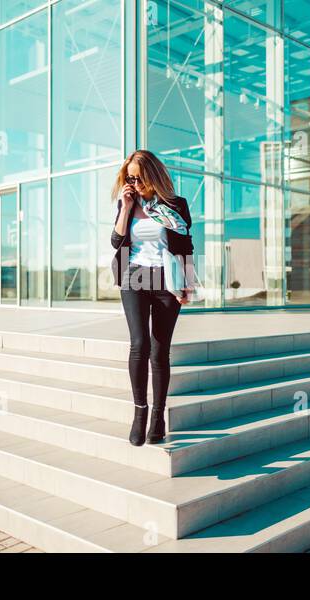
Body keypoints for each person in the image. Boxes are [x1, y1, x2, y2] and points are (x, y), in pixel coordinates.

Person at [109, 150, 198, 447]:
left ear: (153, 175)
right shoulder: (129, 204)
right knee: (139, 344)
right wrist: (125, 207)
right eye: (129, 177)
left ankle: (158, 417)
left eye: (138, 177)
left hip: (166, 279)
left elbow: (186, 245)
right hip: (133, 276)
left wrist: (188, 282)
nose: (134, 182)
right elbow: (116, 241)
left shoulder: (175, 205)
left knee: (160, 351)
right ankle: (140, 413)